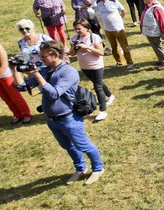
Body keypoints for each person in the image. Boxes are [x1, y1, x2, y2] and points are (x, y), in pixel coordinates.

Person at [13, 41, 104, 185]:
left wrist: (37, 75)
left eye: (44, 56)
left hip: (69, 118)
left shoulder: (68, 72)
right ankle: (80, 168)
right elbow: (23, 87)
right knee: (68, 146)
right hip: (52, 119)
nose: (41, 59)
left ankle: (98, 168)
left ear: (55, 55)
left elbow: (54, 93)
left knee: (83, 145)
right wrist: (15, 69)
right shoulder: (45, 70)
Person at [68, 19, 113, 122]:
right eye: (75, 29)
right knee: (98, 82)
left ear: (86, 28)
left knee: (97, 86)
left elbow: (101, 52)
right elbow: (72, 54)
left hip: (96, 66)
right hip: (84, 66)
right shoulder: (74, 38)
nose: (77, 31)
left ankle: (102, 111)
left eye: (79, 28)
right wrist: (75, 48)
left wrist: (87, 47)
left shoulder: (95, 37)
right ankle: (110, 96)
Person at [94, 0, 134, 69]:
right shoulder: (98, 2)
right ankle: (119, 62)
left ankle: (130, 62)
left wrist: (119, 19)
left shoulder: (113, 1)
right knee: (113, 47)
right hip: (107, 28)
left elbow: (123, 11)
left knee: (124, 46)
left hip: (117, 28)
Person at [140, 0, 164, 70]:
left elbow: (162, 21)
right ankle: (162, 60)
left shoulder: (156, 8)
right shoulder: (148, 6)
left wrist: (163, 32)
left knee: (158, 47)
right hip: (150, 32)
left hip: (155, 32)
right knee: (156, 47)